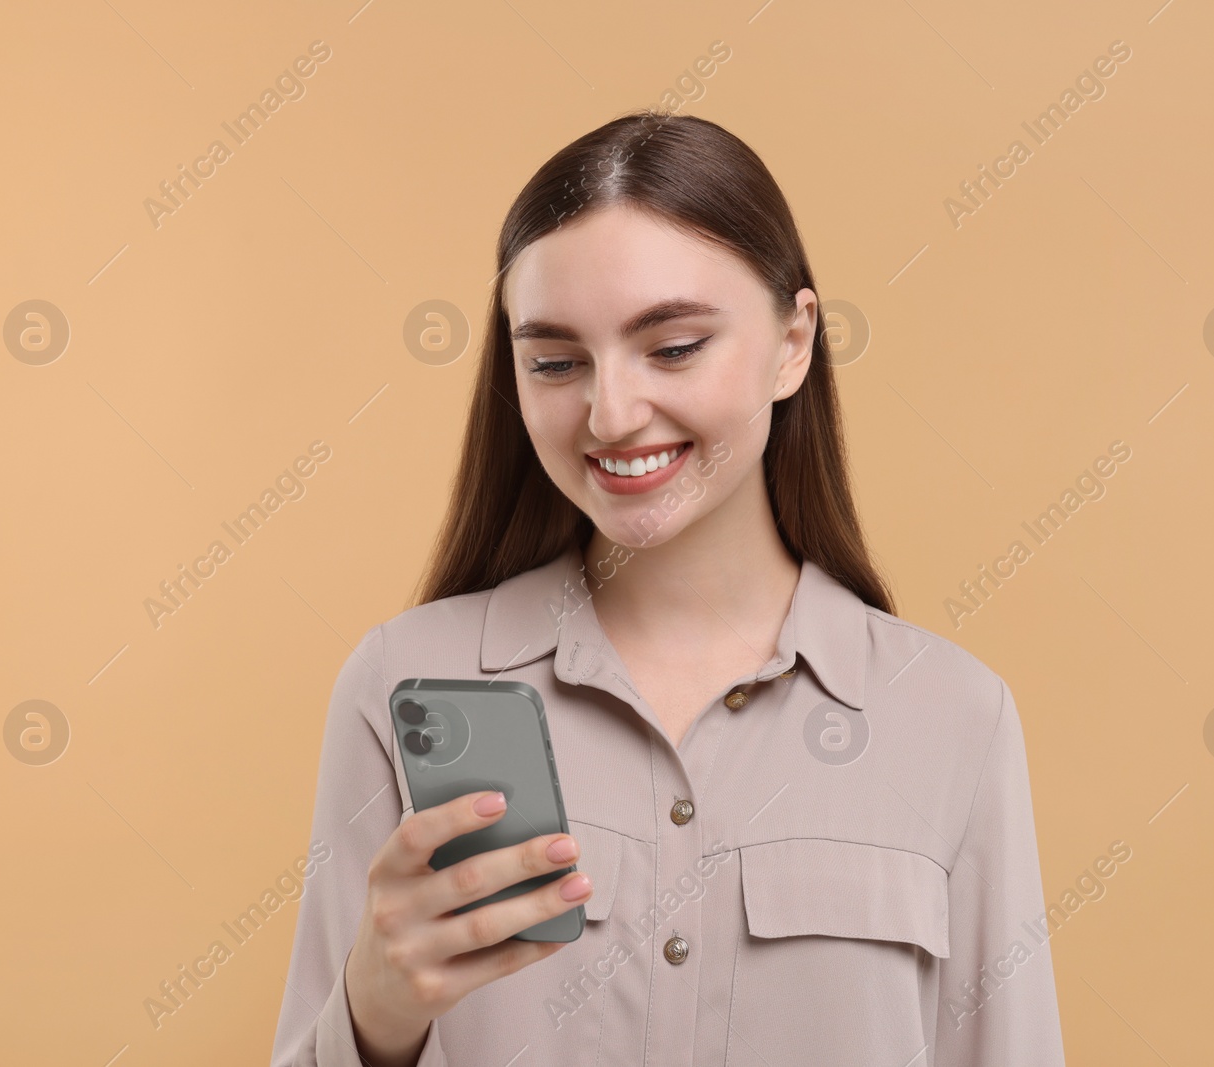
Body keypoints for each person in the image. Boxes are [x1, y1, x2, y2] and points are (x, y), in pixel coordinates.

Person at [271, 111, 1065, 1066]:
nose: (610, 412)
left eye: (675, 346)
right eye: (555, 362)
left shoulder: (952, 718)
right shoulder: (404, 681)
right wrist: (374, 1012)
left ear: (793, 341)